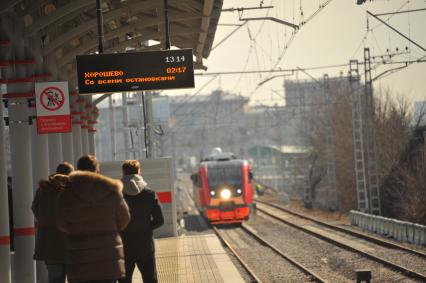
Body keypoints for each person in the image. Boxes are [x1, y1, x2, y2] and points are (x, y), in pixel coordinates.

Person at [56, 155, 130, 283]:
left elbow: (60, 223)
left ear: (78, 170)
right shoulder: (112, 191)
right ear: (97, 170)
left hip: (79, 258)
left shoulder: (66, 194)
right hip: (108, 259)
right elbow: (124, 219)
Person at [119, 160, 164, 283]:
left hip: (124, 247)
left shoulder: (117, 195)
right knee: (150, 280)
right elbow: (160, 220)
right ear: (139, 172)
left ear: (123, 173)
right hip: (146, 247)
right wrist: (146, 228)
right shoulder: (150, 194)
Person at [32, 162, 74, 283]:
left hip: (49, 243)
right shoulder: (73, 190)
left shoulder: (43, 190)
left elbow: (35, 208)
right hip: (70, 243)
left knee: (55, 278)